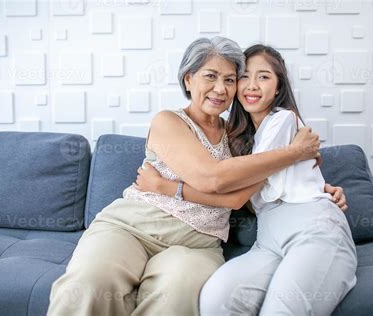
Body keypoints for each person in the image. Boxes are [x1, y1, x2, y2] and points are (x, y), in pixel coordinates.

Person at [47, 37, 327, 316]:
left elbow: (243, 196)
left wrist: (322, 189)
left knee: (176, 294)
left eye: (230, 80)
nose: (220, 88)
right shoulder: (168, 121)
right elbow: (213, 179)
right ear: (188, 79)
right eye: (211, 76)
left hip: (198, 243)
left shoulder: (239, 137)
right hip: (131, 227)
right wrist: (294, 152)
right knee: (90, 283)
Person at [134, 44, 356, 316]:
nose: (251, 85)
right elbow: (246, 186)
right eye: (243, 77)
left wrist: (164, 186)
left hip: (313, 229)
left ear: (278, 87)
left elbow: (234, 185)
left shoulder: (284, 120)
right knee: (216, 301)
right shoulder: (240, 141)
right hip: (269, 239)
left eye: (263, 77)